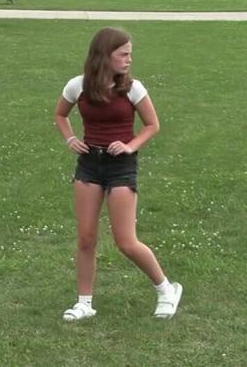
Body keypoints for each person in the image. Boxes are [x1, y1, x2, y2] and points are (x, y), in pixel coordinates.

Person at [54, 27, 182, 321]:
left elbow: (152, 125)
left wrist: (129, 145)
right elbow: (60, 115)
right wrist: (70, 138)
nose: (129, 60)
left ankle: (166, 289)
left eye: (130, 54)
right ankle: (84, 303)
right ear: (104, 56)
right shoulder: (78, 86)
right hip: (89, 164)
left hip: (121, 165)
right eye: (123, 54)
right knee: (86, 238)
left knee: (125, 241)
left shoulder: (133, 88)